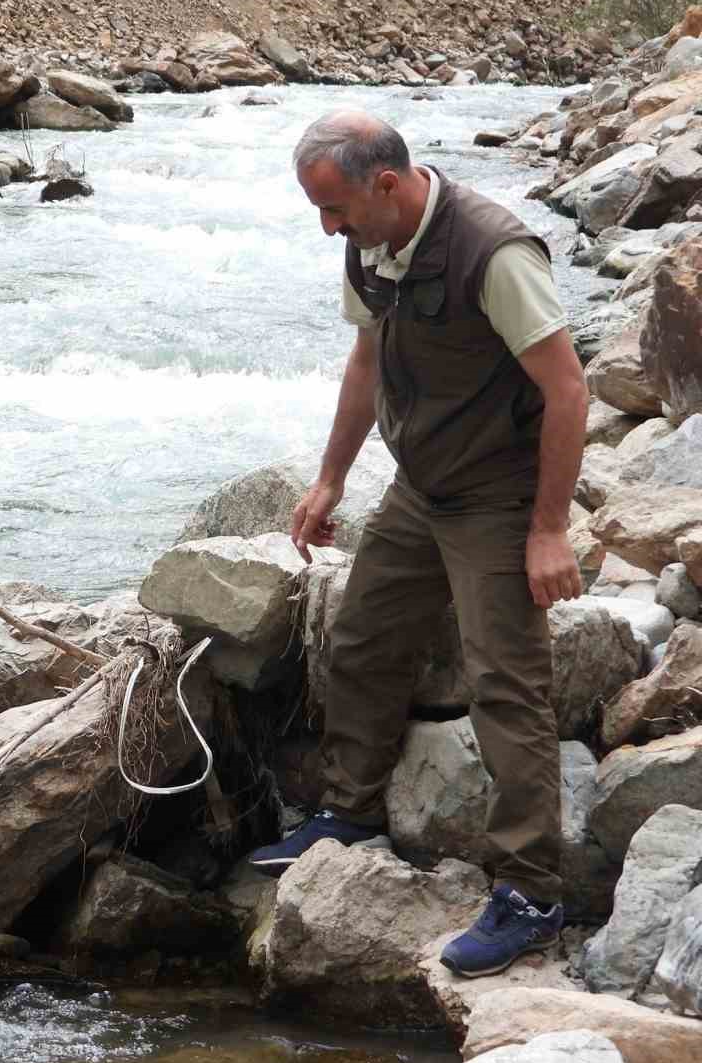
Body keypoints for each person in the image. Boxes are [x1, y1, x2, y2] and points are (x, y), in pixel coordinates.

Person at [249, 111, 590, 978]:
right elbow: (366, 361)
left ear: (388, 186)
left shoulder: (495, 251)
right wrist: (330, 479)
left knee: (506, 685)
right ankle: (352, 811)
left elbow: (568, 389)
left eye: (335, 209)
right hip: (421, 485)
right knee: (362, 635)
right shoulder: (371, 242)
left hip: (499, 495)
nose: (329, 229)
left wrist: (548, 528)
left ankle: (531, 894)